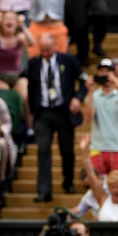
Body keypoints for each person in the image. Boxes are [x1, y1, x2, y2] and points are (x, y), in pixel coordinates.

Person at [29, 33, 89, 202]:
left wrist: (78, 98)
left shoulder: (68, 60)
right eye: (43, 50)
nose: (46, 53)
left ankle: (68, 182)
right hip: (43, 113)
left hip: (63, 111)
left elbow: (84, 80)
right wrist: (32, 112)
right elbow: (31, 88)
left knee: (67, 150)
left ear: (55, 47)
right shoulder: (34, 63)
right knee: (43, 148)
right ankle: (44, 191)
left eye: (48, 49)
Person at [84, 59, 118, 174]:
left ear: (114, 73)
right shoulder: (94, 96)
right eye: (101, 71)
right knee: (98, 188)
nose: (104, 73)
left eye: (108, 70)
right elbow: (87, 119)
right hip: (98, 149)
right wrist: (90, 92)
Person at [78, 134, 118, 221]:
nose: (116, 190)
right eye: (112, 187)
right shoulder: (103, 199)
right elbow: (91, 176)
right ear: (108, 188)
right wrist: (84, 152)